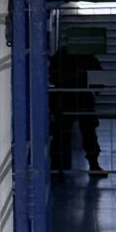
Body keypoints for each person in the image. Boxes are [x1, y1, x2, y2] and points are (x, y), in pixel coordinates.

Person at [49, 42, 106, 179]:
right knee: (79, 133)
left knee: (68, 133)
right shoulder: (86, 57)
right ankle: (91, 165)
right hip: (74, 98)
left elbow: (100, 79)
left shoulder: (64, 56)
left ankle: (59, 168)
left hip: (68, 98)